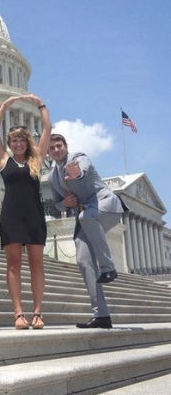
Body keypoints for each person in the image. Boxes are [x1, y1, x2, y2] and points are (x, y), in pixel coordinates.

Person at [48, 134, 126, 329]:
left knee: (85, 217)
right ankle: (101, 315)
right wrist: (64, 203)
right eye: (52, 148)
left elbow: (84, 168)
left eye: (59, 146)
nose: (57, 150)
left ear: (66, 146)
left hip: (105, 206)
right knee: (83, 260)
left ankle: (108, 268)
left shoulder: (78, 157)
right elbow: (57, 204)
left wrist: (77, 173)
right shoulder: (52, 176)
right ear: (48, 152)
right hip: (87, 216)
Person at [0, 95, 51, 330]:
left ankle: (37, 312)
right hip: (11, 216)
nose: (17, 144)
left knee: (37, 264)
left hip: (34, 216)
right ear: (10, 143)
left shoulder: (36, 160)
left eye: (21, 140)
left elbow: (46, 128)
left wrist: (40, 104)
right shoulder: (3, 160)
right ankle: (18, 313)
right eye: (14, 140)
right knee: (13, 265)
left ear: (27, 142)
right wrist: (5, 104)